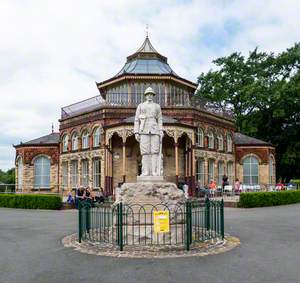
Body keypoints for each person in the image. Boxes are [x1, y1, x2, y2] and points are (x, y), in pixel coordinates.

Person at [134, 87, 164, 176]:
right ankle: (145, 171)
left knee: (155, 151)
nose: (150, 96)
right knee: (145, 152)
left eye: (151, 94)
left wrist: (161, 130)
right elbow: (136, 120)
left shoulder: (157, 106)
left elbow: (160, 119)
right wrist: (136, 132)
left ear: (153, 96)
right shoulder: (140, 106)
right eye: (148, 94)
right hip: (143, 130)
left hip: (155, 130)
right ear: (145, 96)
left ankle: (154, 172)